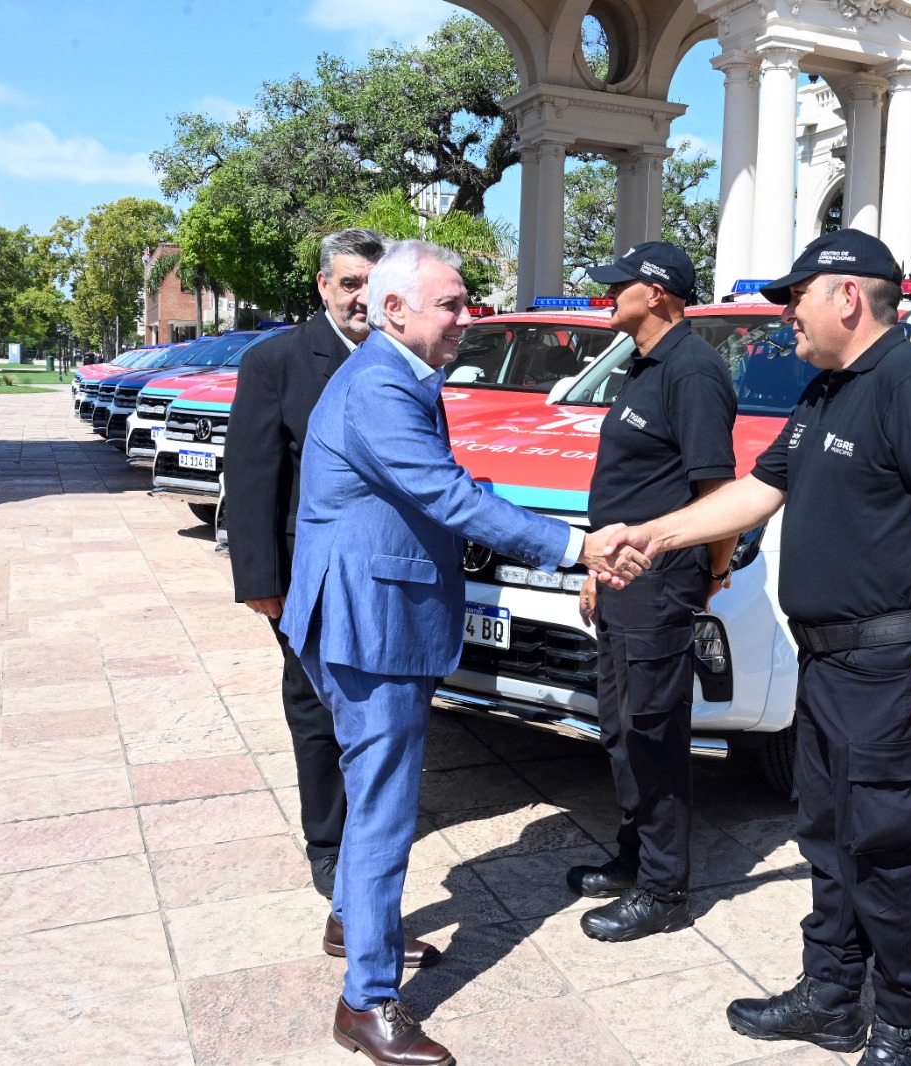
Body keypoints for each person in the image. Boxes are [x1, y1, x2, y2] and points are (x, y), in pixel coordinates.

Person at [608, 229, 911, 1066]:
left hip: (884, 664)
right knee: (825, 832)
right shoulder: (827, 393)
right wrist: (654, 533)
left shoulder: (910, 384)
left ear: (847, 295)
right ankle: (831, 996)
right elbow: (755, 490)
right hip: (824, 660)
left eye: (796, 298)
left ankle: (906, 1019)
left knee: (879, 845)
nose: (786, 317)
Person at [281, 239, 649, 1066]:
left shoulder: (399, 374)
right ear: (396, 308)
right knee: (383, 809)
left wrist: (567, 535)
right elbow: (444, 495)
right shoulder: (382, 383)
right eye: (450, 303)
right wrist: (576, 550)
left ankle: (354, 924)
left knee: (369, 791)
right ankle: (367, 1002)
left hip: (362, 614)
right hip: (367, 623)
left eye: (464, 300)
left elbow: (454, 485)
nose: (465, 316)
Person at [566, 243, 738, 942]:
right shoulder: (642, 366)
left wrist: (712, 577)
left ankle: (666, 891)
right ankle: (636, 858)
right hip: (619, 580)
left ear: (660, 296)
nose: (608, 294)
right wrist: (595, 569)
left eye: (621, 285)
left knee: (655, 733)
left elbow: (716, 494)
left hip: (662, 583)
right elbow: (626, 488)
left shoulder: (693, 372)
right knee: (619, 727)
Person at [226, 228, 386, 900]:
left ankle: (371, 824)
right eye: (350, 284)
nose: (361, 299)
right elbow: (253, 474)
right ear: (323, 285)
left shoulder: (403, 358)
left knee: (375, 703)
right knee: (317, 704)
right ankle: (329, 845)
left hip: (383, 570)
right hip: (307, 574)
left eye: (373, 287)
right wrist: (261, 581)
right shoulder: (278, 361)